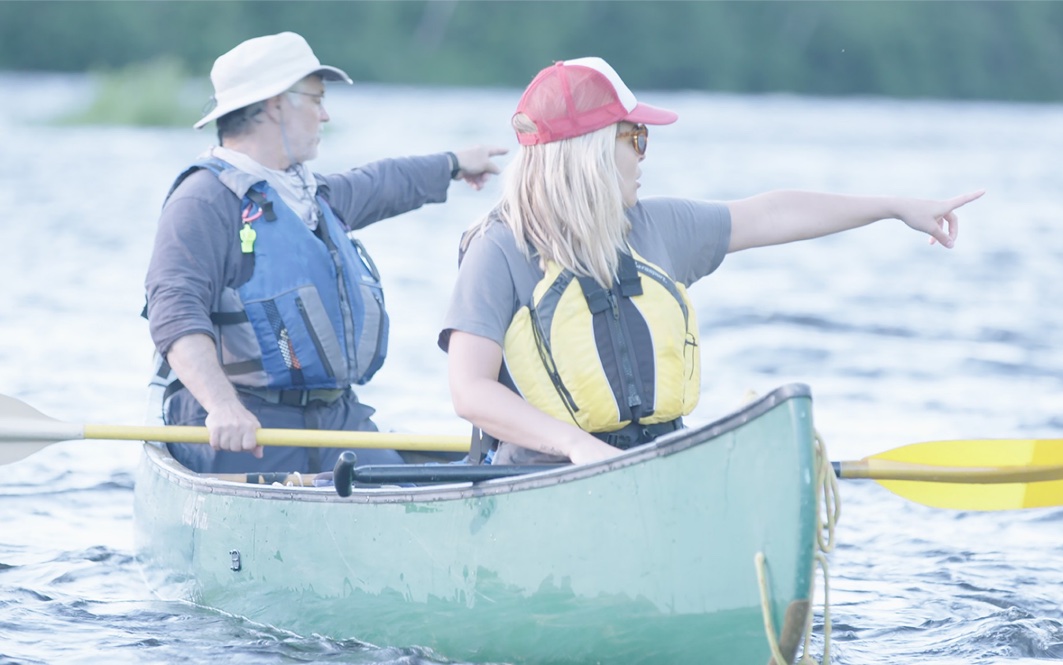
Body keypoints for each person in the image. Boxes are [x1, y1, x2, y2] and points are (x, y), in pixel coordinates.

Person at [439, 57, 984, 466]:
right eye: (638, 138)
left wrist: (893, 207)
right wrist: (578, 448)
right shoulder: (499, 249)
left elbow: (772, 213)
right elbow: (471, 391)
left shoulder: (657, 228)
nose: (644, 153)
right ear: (594, 151)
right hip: (544, 483)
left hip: (657, 466)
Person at [144, 32, 506, 474]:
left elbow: (381, 182)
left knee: (405, 490)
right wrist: (222, 407)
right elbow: (174, 312)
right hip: (245, 423)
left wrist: (453, 163)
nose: (326, 114)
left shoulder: (309, 196)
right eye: (316, 99)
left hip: (334, 418)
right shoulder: (201, 201)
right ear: (276, 104)